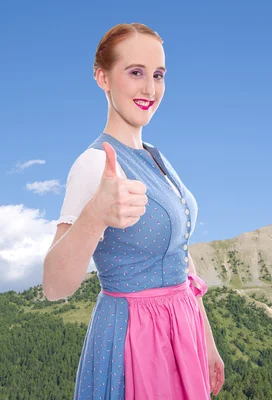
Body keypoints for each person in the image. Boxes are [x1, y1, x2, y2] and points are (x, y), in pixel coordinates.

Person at [42, 23, 225, 399]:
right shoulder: (94, 165)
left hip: (181, 330)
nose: (150, 89)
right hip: (135, 340)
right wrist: (94, 216)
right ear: (102, 78)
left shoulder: (156, 156)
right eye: (135, 73)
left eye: (158, 75)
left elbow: (180, 255)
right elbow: (54, 286)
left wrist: (206, 341)